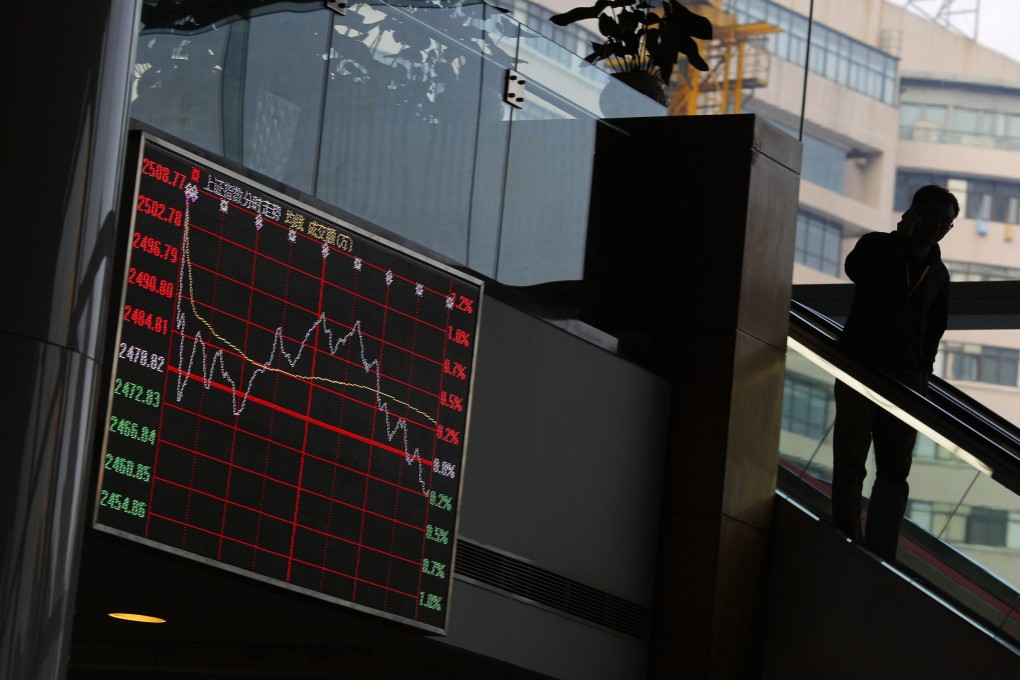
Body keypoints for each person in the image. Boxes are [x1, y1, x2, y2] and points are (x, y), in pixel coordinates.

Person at [831, 184, 959, 561]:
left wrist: (923, 375)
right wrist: (900, 243)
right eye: (932, 218)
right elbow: (857, 271)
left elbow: (934, 330)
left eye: (946, 223)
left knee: (894, 473)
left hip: (906, 380)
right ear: (913, 214)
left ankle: (882, 553)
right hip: (861, 366)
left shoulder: (938, 273)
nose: (938, 227)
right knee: (851, 460)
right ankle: (846, 536)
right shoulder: (878, 246)